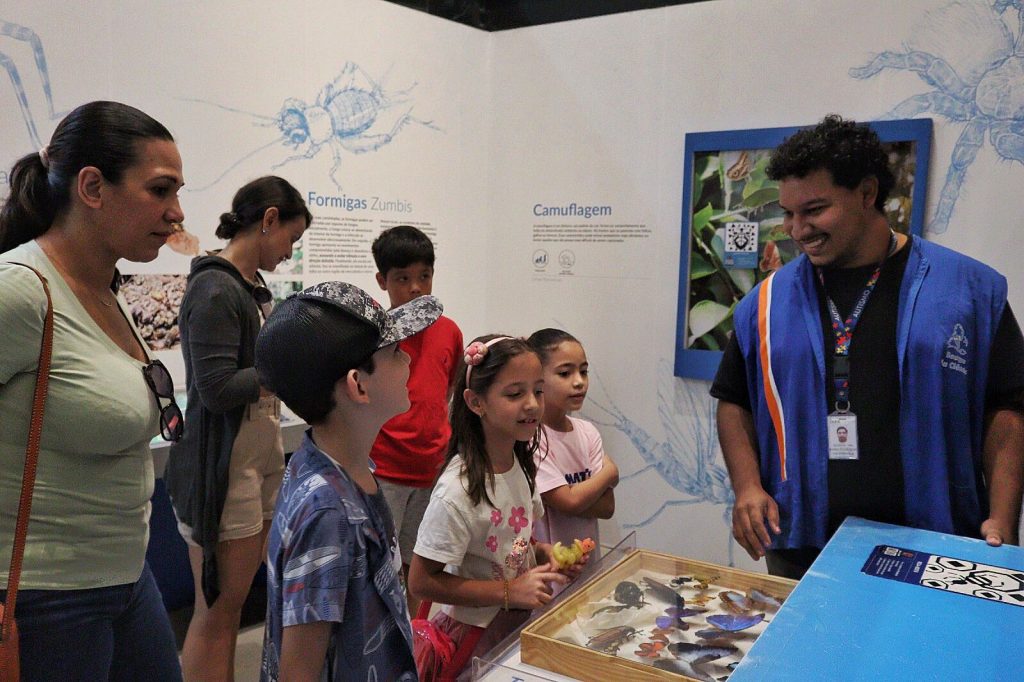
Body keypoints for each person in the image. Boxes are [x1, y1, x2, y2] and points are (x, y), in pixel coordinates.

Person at [712, 114, 1024, 580]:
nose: (797, 230)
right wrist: (747, 486)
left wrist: (1002, 517)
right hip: (804, 549)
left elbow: (1007, 407)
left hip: (938, 544)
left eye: (814, 210)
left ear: (866, 193)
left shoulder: (969, 290)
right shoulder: (766, 302)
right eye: (788, 213)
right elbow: (734, 400)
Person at [0, 101, 185, 680]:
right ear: (92, 187)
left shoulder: (107, 291)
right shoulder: (22, 292)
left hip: (128, 576)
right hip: (46, 593)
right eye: (160, 191)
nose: (177, 214)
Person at [256, 281, 442, 682]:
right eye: (393, 352)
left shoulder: (338, 466)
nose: (407, 357)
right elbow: (298, 673)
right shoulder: (328, 512)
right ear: (358, 384)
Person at [165, 176, 310, 681]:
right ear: (268, 220)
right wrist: (293, 365)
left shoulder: (250, 289)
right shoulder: (213, 288)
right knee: (219, 611)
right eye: (290, 239)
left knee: (233, 603)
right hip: (221, 468)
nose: (290, 253)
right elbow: (217, 388)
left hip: (255, 455)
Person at [409, 335, 573, 681]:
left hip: (515, 623)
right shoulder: (458, 490)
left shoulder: (520, 462)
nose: (532, 404)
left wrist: (546, 555)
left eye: (538, 390)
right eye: (515, 394)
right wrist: (510, 592)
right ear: (475, 402)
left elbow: (514, 541)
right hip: (472, 637)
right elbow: (421, 582)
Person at [370, 224, 463, 617]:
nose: (415, 287)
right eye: (403, 278)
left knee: (418, 569)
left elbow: (449, 388)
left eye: (424, 276)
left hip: (432, 470)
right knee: (378, 569)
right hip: (385, 471)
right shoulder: (373, 333)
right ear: (382, 281)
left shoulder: (449, 331)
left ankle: (411, 646)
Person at [527, 329, 617, 562]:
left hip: (586, 565)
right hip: (549, 569)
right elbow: (568, 502)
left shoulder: (588, 432)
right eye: (565, 373)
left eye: (584, 371)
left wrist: (570, 498)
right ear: (537, 377)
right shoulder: (531, 437)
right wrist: (609, 472)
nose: (579, 382)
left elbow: (607, 507)